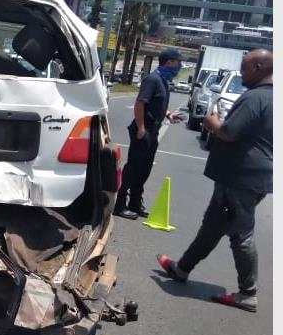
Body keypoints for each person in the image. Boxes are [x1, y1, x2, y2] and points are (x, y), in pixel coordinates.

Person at [157, 49, 273, 312]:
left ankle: (248, 293)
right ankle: (182, 268)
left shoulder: (256, 98)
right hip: (242, 176)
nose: (241, 73)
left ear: (258, 67)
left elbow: (229, 131)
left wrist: (211, 121)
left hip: (241, 179)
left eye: (243, 68)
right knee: (212, 225)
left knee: (241, 235)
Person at [114, 48, 183, 219]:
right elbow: (140, 104)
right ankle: (119, 204)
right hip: (144, 130)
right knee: (133, 168)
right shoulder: (152, 79)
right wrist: (141, 128)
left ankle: (135, 203)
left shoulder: (162, 81)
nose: (179, 66)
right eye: (177, 62)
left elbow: (156, 103)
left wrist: (168, 114)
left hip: (153, 131)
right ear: (169, 62)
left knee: (144, 169)